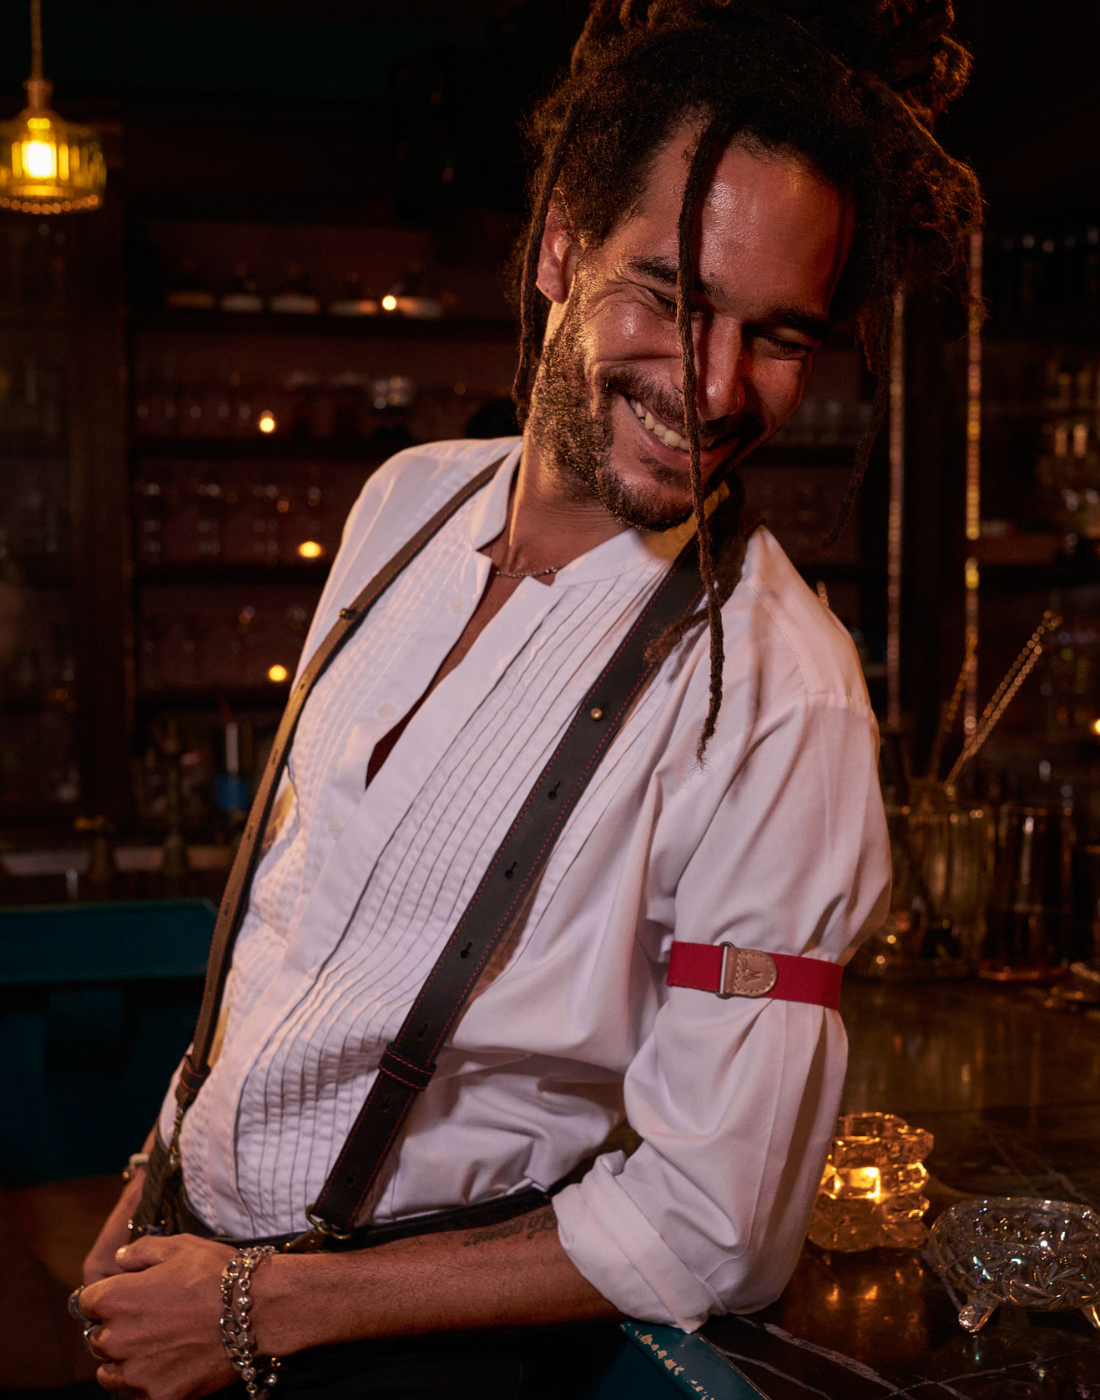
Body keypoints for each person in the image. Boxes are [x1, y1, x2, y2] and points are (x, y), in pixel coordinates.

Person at [77, 2, 980, 1396]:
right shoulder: (407, 503)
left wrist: (262, 1312)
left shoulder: (784, 694)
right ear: (562, 244)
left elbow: (716, 1226)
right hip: (179, 1280)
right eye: (672, 301)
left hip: (412, 1359)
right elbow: (292, 914)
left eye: (779, 336)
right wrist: (160, 1171)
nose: (719, 385)